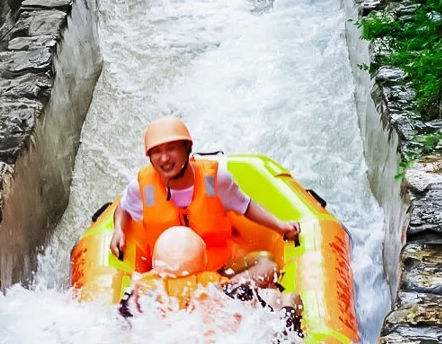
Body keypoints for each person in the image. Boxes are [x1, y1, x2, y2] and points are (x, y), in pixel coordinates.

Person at [110, 116, 300, 289]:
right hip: (169, 278)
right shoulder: (143, 187)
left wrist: (280, 226)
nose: (165, 158)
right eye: (157, 152)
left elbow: (246, 205)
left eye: (171, 148)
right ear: (150, 157)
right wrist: (119, 229)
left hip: (218, 269)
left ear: (187, 149)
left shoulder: (216, 180)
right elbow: (123, 208)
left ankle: (226, 292)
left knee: (268, 264)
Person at [119, 227, 303, 335]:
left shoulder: (140, 290)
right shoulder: (216, 286)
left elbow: (122, 322)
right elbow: (258, 313)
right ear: (203, 259)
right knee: (284, 298)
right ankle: (287, 335)